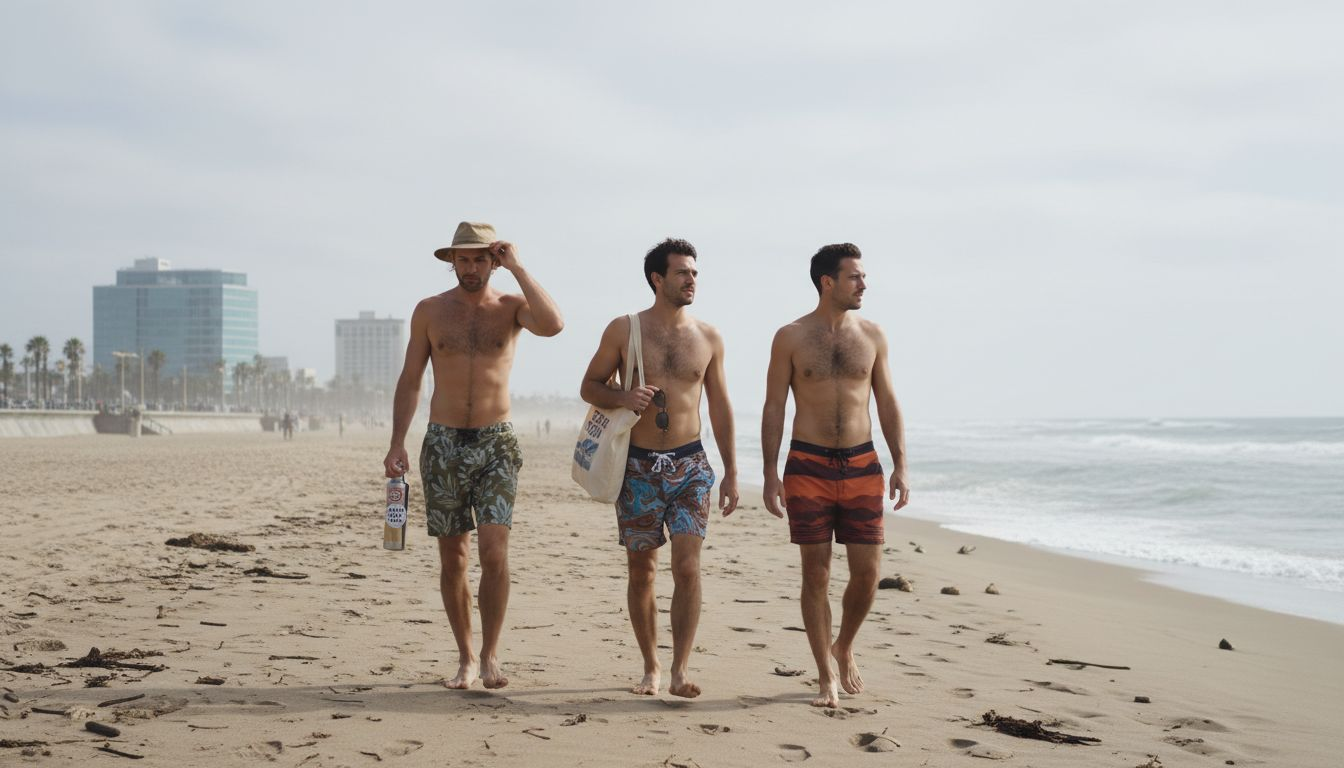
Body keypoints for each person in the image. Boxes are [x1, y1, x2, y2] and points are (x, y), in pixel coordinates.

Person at [383, 221, 564, 690]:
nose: (470, 267)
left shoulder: (512, 307)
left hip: (496, 442)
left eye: (480, 259)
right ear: (451, 261)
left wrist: (518, 267)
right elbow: (411, 379)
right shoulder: (429, 311)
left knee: (494, 551)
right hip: (443, 442)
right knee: (454, 557)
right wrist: (397, 442)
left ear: (493, 261)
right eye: (462, 259)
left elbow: (554, 325)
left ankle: (490, 656)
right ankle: (465, 657)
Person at [579, 237, 738, 698]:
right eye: (682, 272)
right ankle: (650, 666)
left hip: (691, 464)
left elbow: (720, 406)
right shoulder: (624, 330)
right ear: (657, 278)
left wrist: (731, 470)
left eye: (695, 273)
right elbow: (590, 386)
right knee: (642, 571)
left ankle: (679, 670)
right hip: (638, 466)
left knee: (687, 567)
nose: (692, 280)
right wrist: (624, 396)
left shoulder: (708, 337)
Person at [761, 242, 910, 708]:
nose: (864, 284)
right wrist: (769, 471)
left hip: (863, 464)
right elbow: (774, 406)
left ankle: (843, 645)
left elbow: (887, 401)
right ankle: (825, 674)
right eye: (855, 277)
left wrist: (901, 463)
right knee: (816, 574)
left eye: (863, 276)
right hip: (807, 464)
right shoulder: (790, 337)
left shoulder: (873, 335)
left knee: (868, 574)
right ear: (828, 282)